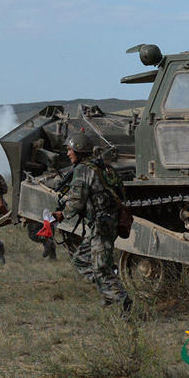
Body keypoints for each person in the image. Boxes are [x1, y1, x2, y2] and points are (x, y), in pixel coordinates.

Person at [52, 132, 132, 312]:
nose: (68, 153)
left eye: (70, 150)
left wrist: (62, 214)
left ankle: (122, 301)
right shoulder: (102, 167)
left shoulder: (82, 170)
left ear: (78, 150)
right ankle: (108, 293)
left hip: (101, 224)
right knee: (82, 259)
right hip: (109, 221)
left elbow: (76, 202)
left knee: (98, 267)